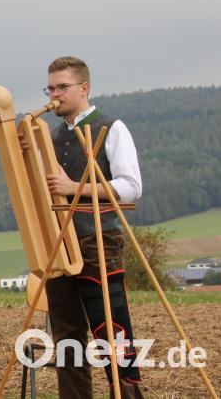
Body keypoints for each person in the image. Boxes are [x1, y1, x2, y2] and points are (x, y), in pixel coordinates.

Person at [42, 56, 144, 399]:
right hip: (60, 245)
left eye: (62, 87)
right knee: (67, 338)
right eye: (50, 88)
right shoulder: (50, 137)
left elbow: (131, 187)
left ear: (84, 88)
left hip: (98, 239)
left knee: (112, 331)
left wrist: (75, 188)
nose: (55, 95)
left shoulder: (111, 127)